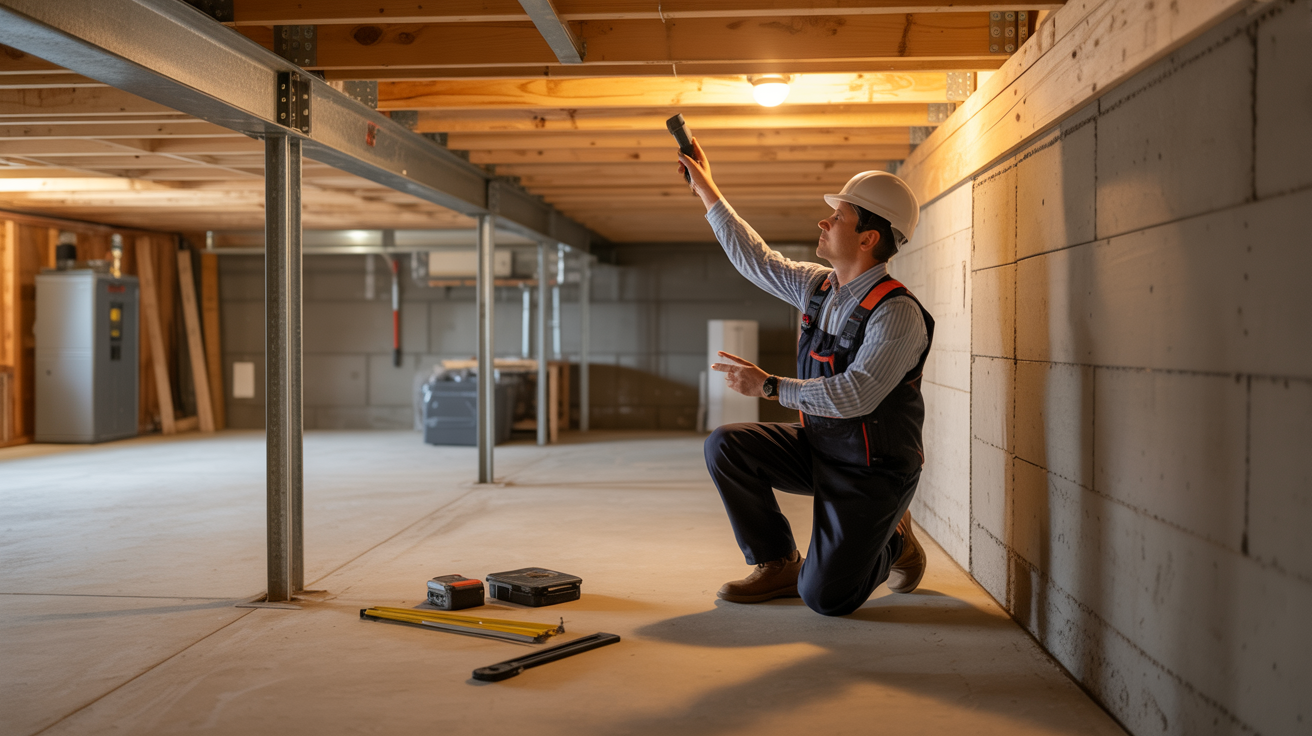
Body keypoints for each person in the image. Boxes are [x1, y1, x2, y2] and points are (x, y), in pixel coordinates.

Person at [677, 138, 935, 617]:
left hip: (873, 469)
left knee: (826, 598)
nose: (824, 221)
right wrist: (707, 190)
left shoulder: (897, 315)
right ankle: (776, 563)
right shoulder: (819, 287)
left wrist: (769, 386)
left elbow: (856, 394)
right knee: (727, 445)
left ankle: (895, 542)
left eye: (838, 216)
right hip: (822, 449)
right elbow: (756, 259)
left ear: (868, 238)